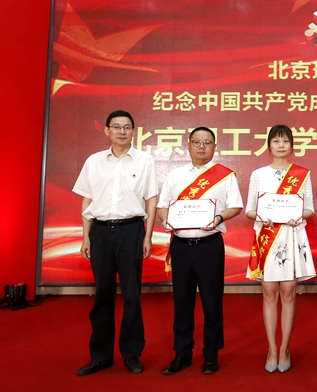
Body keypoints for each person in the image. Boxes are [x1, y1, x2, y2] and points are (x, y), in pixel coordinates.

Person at [73, 110, 158, 376]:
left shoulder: (145, 161)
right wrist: (85, 236)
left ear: (134, 131)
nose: (122, 131)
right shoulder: (94, 161)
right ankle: (101, 356)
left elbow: (151, 199)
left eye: (127, 127)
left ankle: (131, 353)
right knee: (102, 295)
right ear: (107, 130)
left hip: (131, 231)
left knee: (132, 295)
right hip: (100, 233)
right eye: (117, 126)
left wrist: (147, 235)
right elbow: (87, 200)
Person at [157, 126, 243, 375]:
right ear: (189, 145)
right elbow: (163, 206)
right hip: (181, 247)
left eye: (207, 142)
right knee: (182, 302)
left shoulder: (225, 176)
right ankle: (182, 354)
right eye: (197, 142)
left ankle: (211, 355)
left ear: (214, 147)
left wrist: (218, 218)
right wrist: (167, 220)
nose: (202, 147)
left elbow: (235, 206)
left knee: (212, 302)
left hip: (209, 246)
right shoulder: (175, 175)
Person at [245, 125, 316, 373]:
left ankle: (285, 348)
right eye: (276, 141)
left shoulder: (301, 174)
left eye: (285, 141)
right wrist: (261, 217)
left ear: (292, 145)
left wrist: (299, 216)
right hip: (267, 236)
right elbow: (250, 209)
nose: (281, 145)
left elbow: (309, 209)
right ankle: (272, 349)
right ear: (269, 145)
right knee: (269, 293)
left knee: (288, 292)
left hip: (291, 235)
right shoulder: (258, 174)